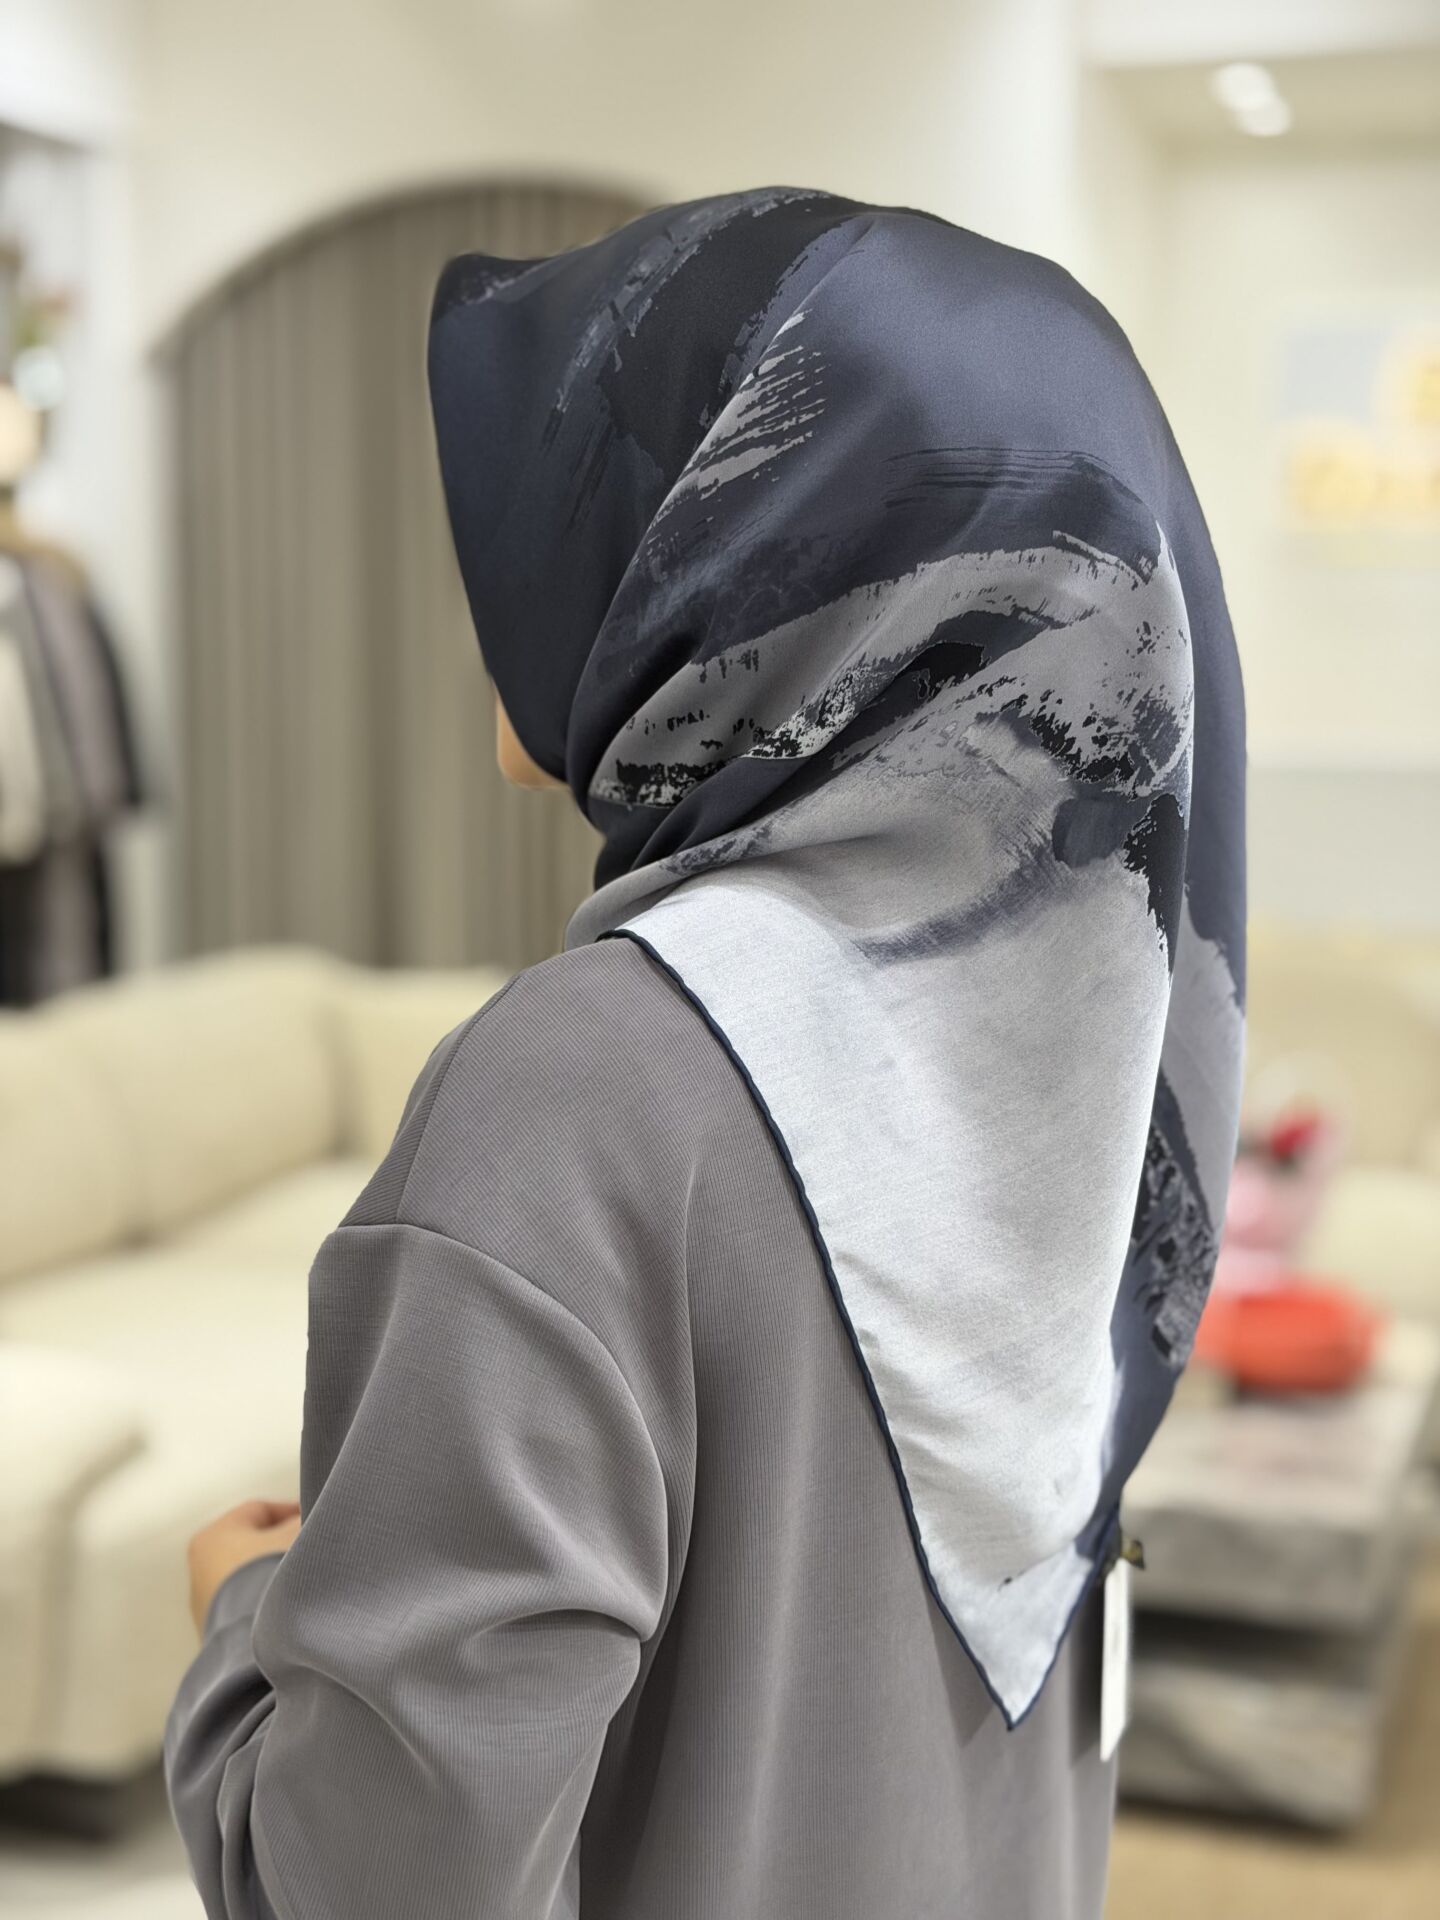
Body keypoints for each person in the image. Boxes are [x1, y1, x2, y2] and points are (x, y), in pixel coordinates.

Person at [166, 185, 1246, 1919]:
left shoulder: (586, 1092)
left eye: (593, 499)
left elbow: (373, 1887)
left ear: (750, 558)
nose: (511, 570)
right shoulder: (1110, 1045)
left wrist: (239, 1628)